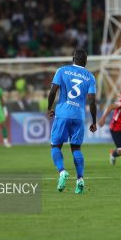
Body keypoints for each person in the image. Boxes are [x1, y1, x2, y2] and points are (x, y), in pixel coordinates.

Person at [48, 50, 97, 194]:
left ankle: (62, 171)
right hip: (79, 116)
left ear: (73, 58)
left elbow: (53, 91)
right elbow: (92, 100)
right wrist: (94, 121)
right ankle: (80, 179)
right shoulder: (90, 77)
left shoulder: (62, 70)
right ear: (86, 61)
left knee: (55, 145)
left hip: (63, 114)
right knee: (76, 148)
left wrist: (49, 108)